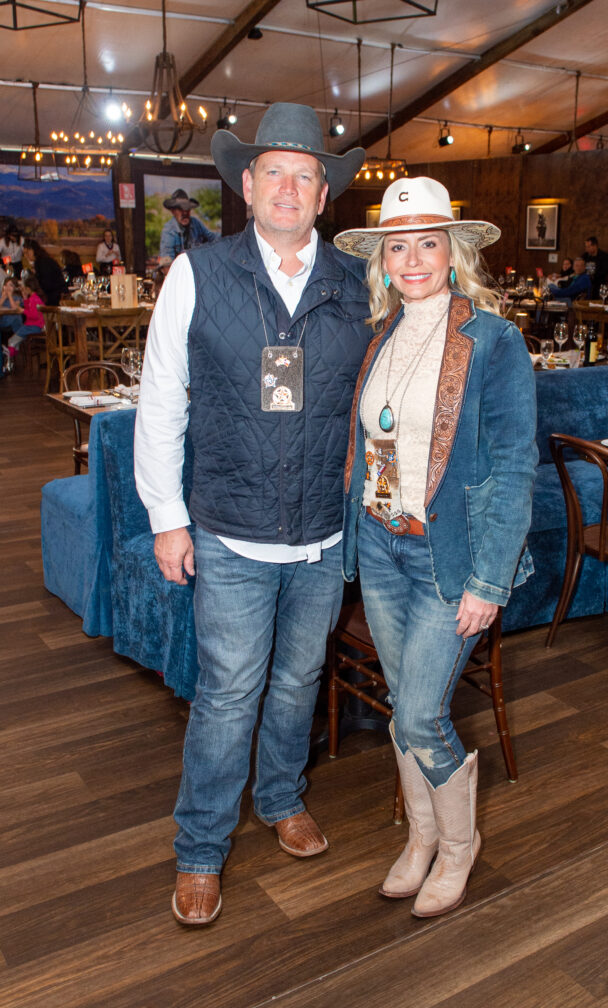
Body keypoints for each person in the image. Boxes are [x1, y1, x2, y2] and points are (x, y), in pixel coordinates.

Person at [134, 102, 368, 927]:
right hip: (228, 528)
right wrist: (166, 514)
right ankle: (200, 849)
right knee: (230, 693)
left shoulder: (356, 282)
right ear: (246, 184)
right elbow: (160, 400)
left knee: (301, 679)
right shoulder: (196, 273)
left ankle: (280, 797)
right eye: (275, 170)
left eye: (307, 174)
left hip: (322, 535)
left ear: (323, 194)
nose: (290, 186)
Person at [334, 177, 537, 918]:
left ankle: (458, 846)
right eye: (398, 245)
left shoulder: (493, 338)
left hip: (448, 559)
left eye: (428, 242)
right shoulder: (383, 335)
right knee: (402, 707)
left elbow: (516, 465)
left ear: (454, 253)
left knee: (422, 714)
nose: (413, 257)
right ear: (381, 260)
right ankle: (421, 838)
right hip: (382, 548)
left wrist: (489, 581)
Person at [158, 189, 218, 265]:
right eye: (180, 209)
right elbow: (167, 263)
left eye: (187, 209)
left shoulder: (196, 223)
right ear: (173, 211)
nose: (185, 212)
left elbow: (213, 237)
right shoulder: (169, 231)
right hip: (178, 272)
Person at [2, 274, 45, 373]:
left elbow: (33, 315)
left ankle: (9, 363)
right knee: (13, 342)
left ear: (29, 288)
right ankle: (11, 361)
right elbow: (29, 308)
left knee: (12, 341)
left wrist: (22, 311)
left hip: (32, 326)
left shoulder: (34, 299)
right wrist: (25, 299)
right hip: (30, 325)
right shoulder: (33, 298)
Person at [23, 239, 67, 306]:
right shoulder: (43, 260)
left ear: (33, 250)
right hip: (54, 294)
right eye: (24, 253)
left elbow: (46, 284)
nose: (26, 256)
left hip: (54, 298)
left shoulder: (42, 262)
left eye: (27, 252)